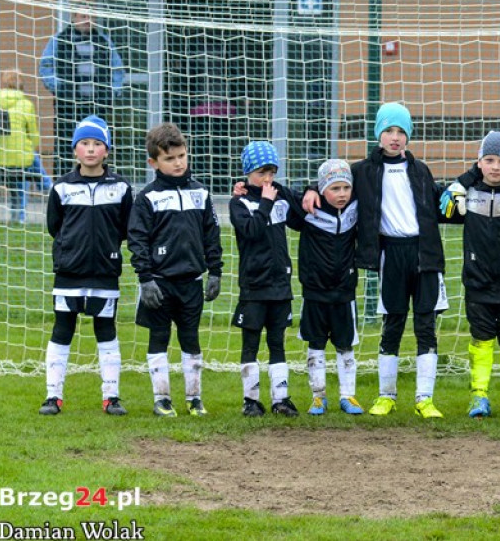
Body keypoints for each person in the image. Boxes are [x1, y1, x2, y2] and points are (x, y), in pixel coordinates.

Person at [303, 102, 448, 419]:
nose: (395, 137)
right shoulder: (363, 171)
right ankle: (386, 395)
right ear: (378, 134)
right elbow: (334, 181)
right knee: (392, 324)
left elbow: (441, 204)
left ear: (408, 135)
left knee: (426, 326)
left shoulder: (420, 170)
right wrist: (312, 189)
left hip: (424, 255)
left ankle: (425, 399)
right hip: (390, 255)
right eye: (389, 130)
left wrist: (458, 196)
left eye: (401, 131)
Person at [40, 116, 133, 416]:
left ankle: (111, 397)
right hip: (69, 273)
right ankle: (53, 397)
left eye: (97, 144)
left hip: (105, 273)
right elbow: (55, 226)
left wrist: (106, 250)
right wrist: (72, 250)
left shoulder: (121, 187)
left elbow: (125, 228)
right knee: (62, 329)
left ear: (107, 150)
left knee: (106, 330)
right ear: (74, 149)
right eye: (84, 143)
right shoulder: (62, 187)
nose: (91, 149)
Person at [128, 122, 223, 418]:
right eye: (169, 158)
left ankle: (194, 398)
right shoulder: (147, 198)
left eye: (182, 155)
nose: (178, 162)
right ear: (153, 162)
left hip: (191, 282)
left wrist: (215, 271)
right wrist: (145, 279)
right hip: (159, 283)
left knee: (190, 338)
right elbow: (137, 240)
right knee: (158, 337)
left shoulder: (201, 193)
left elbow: (212, 235)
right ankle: (162, 399)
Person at [443, 131, 500, 418]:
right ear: (479, 162)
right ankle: (478, 396)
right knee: (481, 338)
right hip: (478, 280)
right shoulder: (466, 190)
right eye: (489, 160)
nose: (495, 167)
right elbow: (439, 207)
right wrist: (459, 184)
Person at [228, 141, 303, 418]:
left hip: (280, 285)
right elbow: (251, 231)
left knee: (277, 342)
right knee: (250, 343)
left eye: (272, 172)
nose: (267, 179)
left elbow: (301, 217)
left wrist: (290, 193)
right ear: (248, 173)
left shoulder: (280, 196)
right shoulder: (239, 203)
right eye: (261, 173)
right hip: (254, 286)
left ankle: (281, 399)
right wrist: (266, 202)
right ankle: (250, 400)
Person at [297, 159, 364, 416]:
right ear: (323, 189)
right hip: (314, 291)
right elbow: (277, 191)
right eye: (335, 188)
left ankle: (348, 395)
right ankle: (318, 396)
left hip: (344, 291)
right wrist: (310, 188)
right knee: (316, 344)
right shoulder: (308, 209)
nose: (342, 194)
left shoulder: (355, 206)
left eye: (346, 188)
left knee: (345, 345)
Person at [39, 11, 125, 173]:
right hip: (68, 105)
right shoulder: (59, 40)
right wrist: (59, 87)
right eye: (83, 16)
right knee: (65, 146)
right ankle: (63, 182)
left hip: (96, 105)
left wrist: (113, 91)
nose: (88, 20)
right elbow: (46, 66)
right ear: (74, 18)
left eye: (91, 17)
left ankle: (96, 179)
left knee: (97, 145)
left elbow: (117, 68)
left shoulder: (104, 41)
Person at [0, 73, 41, 223]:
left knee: (23, 157)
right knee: (27, 158)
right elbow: (34, 136)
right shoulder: (26, 104)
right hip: (14, 162)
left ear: (3, 85)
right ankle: (44, 187)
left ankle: (45, 185)